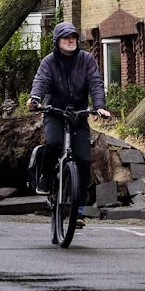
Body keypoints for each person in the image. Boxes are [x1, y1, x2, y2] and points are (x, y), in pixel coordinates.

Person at [26, 22, 110, 228]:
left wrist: (99, 106)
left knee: (83, 160)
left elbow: (95, 83)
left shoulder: (87, 60)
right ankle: (46, 178)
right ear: (57, 41)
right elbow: (41, 81)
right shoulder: (49, 62)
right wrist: (35, 99)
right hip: (55, 112)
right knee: (54, 143)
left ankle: (78, 209)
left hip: (78, 114)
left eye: (73, 37)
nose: (71, 40)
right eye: (66, 37)